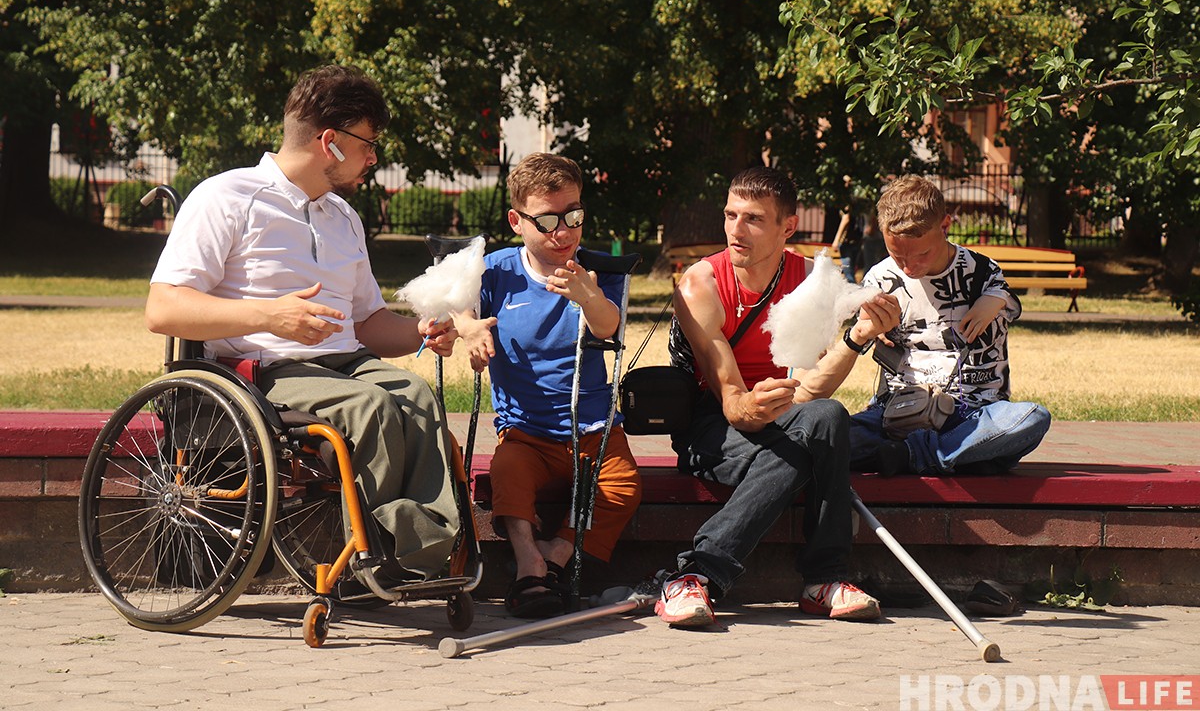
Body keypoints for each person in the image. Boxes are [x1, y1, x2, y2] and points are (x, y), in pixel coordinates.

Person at [145, 65, 461, 580]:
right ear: (330, 142)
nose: (374, 157)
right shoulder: (226, 197)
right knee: (373, 407)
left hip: (343, 364)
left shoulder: (343, 217)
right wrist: (268, 315)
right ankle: (384, 560)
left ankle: (427, 551)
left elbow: (368, 322)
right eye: (368, 143)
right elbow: (162, 309)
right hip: (261, 372)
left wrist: (419, 332)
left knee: (416, 396)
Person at [657, 165, 902, 628]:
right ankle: (807, 580)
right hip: (711, 428)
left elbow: (811, 392)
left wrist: (858, 337)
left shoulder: (813, 281)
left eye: (752, 219)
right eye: (730, 215)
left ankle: (712, 580)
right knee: (805, 447)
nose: (735, 229)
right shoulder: (698, 287)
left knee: (828, 416)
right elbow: (732, 402)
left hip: (786, 418)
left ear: (787, 226)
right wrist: (754, 404)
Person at [455, 152, 642, 618]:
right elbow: (453, 308)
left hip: (593, 428)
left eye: (574, 216)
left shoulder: (596, 270)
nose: (563, 233)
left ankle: (554, 559)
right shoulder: (494, 270)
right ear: (517, 220)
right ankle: (527, 564)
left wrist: (590, 296)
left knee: (622, 485)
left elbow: (609, 330)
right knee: (508, 474)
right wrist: (470, 329)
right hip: (526, 430)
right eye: (549, 221)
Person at [848, 174, 1051, 477]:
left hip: (971, 412)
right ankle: (950, 455)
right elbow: (858, 335)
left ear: (945, 225)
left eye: (921, 255)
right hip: (896, 411)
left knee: (1032, 418)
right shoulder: (880, 279)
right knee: (827, 434)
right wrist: (871, 327)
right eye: (897, 255)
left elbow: (1008, 301)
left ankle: (910, 455)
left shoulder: (982, 271)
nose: (909, 267)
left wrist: (994, 298)